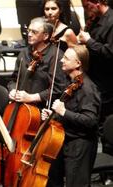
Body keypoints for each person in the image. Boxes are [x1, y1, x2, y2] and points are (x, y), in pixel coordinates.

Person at [43, 45, 100, 187]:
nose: (62, 60)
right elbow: (70, 113)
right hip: (66, 139)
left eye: (66, 58)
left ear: (78, 63)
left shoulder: (87, 89)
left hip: (80, 144)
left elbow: (91, 121)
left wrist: (63, 112)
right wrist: (53, 116)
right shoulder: (72, 83)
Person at [78, 0, 113, 154]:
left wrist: (89, 41)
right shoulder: (95, 19)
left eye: (87, 6)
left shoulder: (112, 21)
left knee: (106, 126)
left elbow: (110, 53)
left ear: (98, 2)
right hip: (94, 78)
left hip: (107, 81)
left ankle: (107, 169)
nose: (86, 10)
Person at [8, 17, 67, 109]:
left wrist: (32, 97)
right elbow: (14, 79)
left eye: (34, 32)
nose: (29, 34)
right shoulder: (24, 53)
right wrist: (12, 90)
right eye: (29, 31)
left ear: (45, 36)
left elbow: (58, 90)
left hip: (41, 109)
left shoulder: (56, 57)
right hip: (20, 106)